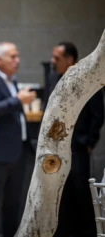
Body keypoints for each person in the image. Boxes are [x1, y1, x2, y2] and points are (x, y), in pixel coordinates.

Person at [0, 42, 36, 237]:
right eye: (13, 56)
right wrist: (18, 100)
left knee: (13, 202)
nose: (17, 60)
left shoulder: (12, 80)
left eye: (17, 56)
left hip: (17, 151)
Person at [47, 42, 104, 237]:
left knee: (80, 190)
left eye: (57, 58)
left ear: (70, 60)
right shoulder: (53, 78)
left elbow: (98, 114)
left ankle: (87, 233)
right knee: (61, 193)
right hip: (57, 148)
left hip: (78, 147)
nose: (52, 62)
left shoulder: (87, 80)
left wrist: (88, 141)